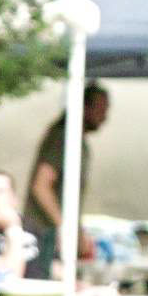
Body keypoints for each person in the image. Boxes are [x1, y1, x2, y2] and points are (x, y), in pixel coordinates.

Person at [27, 84, 109, 242]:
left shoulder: (77, 140)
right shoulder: (63, 138)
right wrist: (66, 229)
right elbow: (41, 186)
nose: (104, 117)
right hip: (45, 236)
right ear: (84, 107)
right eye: (100, 109)